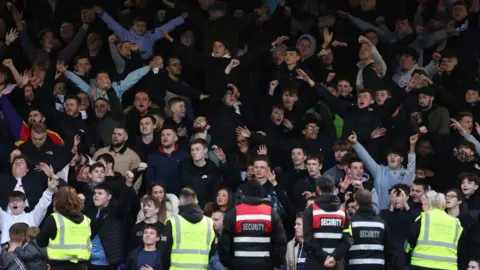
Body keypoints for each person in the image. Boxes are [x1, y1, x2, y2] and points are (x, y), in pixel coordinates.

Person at [218, 179, 287, 270]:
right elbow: (280, 242)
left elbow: (224, 243)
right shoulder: (270, 213)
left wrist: (229, 264)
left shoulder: (234, 213)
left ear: (244, 194)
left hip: (239, 265)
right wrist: (274, 263)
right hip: (264, 265)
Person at [303, 176, 353, 270]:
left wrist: (324, 258)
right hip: (337, 264)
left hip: (315, 264)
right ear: (334, 189)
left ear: (318, 189)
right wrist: (334, 257)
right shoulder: (343, 212)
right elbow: (348, 239)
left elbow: (308, 239)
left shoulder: (311, 211)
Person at [36, 186, 92, 270]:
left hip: (58, 266)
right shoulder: (86, 220)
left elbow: (40, 242)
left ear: (57, 201)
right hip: (81, 266)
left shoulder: (54, 219)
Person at [406, 190, 463, 270]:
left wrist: (406, 253)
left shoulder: (424, 218)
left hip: (421, 264)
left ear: (427, 203)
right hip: (448, 266)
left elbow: (410, 241)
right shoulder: (455, 222)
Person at [161, 188, 215, 269]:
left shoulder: (172, 222)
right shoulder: (209, 223)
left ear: (180, 203)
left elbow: (164, 252)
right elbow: (212, 252)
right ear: (196, 202)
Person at [347, 189, 392, 269]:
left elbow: (346, 245)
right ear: (371, 202)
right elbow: (387, 248)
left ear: (356, 203)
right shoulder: (381, 223)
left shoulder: (351, 223)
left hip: (356, 266)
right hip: (378, 266)